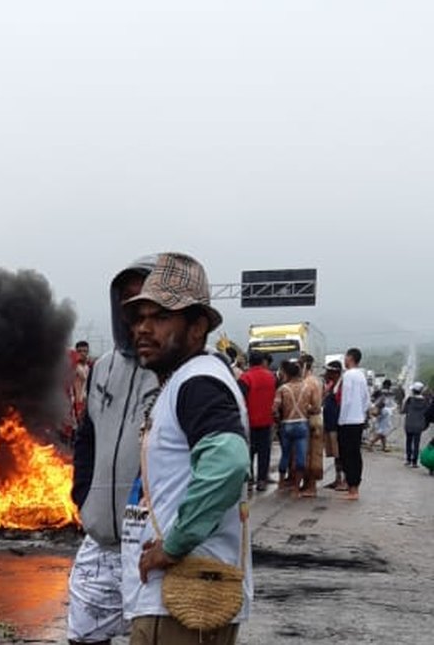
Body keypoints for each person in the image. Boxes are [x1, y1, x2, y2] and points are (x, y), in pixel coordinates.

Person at [119, 252, 252, 645]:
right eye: (139, 318)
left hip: (184, 602)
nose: (143, 329)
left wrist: (173, 545)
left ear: (197, 328)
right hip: (178, 598)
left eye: (160, 317)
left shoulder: (198, 382)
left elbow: (228, 463)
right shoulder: (186, 380)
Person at [68, 257, 160, 645]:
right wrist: (82, 494)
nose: (136, 314)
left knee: (151, 637)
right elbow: (86, 437)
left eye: (146, 302)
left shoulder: (180, 371)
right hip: (101, 539)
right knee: (83, 634)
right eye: (127, 302)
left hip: (155, 546)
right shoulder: (102, 368)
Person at [272, 359, 320, 497]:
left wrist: (278, 420)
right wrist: (306, 410)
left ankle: (281, 483)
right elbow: (316, 408)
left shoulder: (283, 389)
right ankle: (296, 488)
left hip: (286, 424)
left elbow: (274, 409)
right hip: (302, 424)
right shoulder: (307, 388)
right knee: (301, 457)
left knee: (285, 455)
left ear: (287, 374)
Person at [239, 351, 277, 492]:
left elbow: (240, 398)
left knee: (248, 452)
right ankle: (262, 480)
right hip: (267, 420)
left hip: (249, 421)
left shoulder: (245, 377)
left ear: (249, 362)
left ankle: (249, 480)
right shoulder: (271, 377)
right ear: (262, 362)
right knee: (264, 451)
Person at [336, 348, 371, 500]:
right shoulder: (361, 375)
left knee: (347, 455)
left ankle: (352, 488)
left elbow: (346, 400)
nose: (344, 360)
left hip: (348, 421)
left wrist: (341, 420)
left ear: (350, 358)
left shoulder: (348, 375)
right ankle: (354, 486)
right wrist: (361, 414)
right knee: (355, 454)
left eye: (345, 357)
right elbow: (366, 399)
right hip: (358, 420)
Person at [299, 354, 326, 497]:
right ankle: (308, 484)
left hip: (311, 419)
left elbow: (314, 405)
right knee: (311, 452)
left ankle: (311, 486)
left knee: (310, 453)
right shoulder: (317, 381)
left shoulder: (308, 382)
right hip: (316, 418)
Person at [321, 361, 345, 489]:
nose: (326, 374)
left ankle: (344, 479)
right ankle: (338, 478)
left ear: (335, 373)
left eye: (328, 372)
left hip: (337, 425)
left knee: (341, 453)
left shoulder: (342, 386)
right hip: (330, 424)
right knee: (335, 454)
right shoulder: (331, 386)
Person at [401, 381, 430, 468]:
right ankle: (414, 462)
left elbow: (404, 410)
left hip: (409, 424)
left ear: (413, 390)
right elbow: (427, 412)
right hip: (419, 425)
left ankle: (408, 459)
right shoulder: (425, 401)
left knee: (408, 441)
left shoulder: (410, 400)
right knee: (416, 443)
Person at [367, 380, 396, 451]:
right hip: (386, 412)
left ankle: (384, 446)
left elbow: (372, 399)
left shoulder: (378, 391)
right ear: (389, 385)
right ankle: (371, 443)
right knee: (383, 431)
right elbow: (391, 404)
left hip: (378, 411)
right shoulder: (390, 393)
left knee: (382, 429)